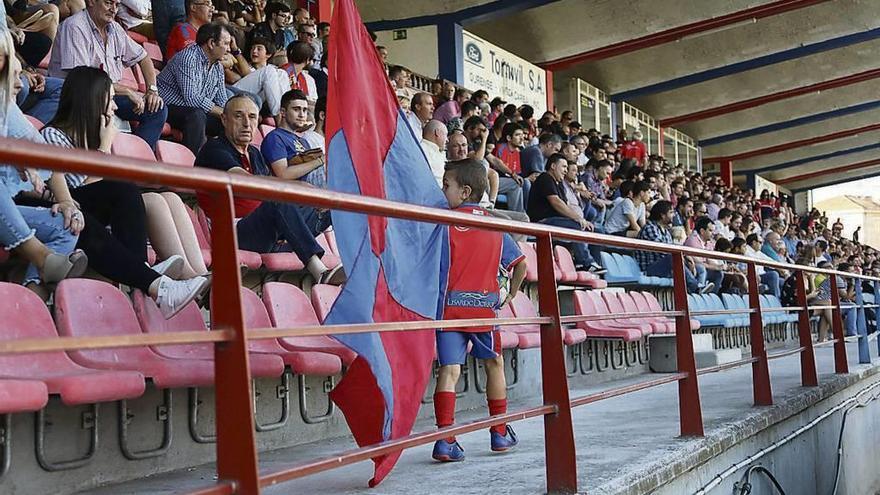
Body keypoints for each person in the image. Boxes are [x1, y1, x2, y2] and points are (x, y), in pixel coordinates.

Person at [36, 66, 210, 313]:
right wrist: (104, 148)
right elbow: (82, 193)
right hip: (65, 212)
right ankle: (147, 276)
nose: (115, 108)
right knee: (125, 191)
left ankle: (190, 275)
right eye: (109, 101)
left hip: (88, 212)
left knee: (165, 196)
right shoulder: (54, 137)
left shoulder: (86, 141)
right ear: (92, 103)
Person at [431, 159, 526, 462]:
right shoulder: (496, 224)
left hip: (449, 309)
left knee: (449, 371)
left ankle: (445, 439)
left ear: (464, 191)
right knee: (493, 364)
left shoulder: (443, 223)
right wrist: (511, 292)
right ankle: (499, 432)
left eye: (446, 185)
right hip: (484, 308)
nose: (442, 190)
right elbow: (521, 264)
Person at [196, 95, 343, 284]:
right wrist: (300, 188)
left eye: (252, 117)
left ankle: (353, 267)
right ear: (224, 119)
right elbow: (245, 181)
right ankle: (319, 271)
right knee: (276, 200)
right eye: (239, 116)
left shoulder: (254, 153)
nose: (247, 123)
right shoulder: (215, 149)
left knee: (331, 205)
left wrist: (312, 195)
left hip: (266, 231)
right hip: (233, 233)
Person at [0, 32, 87, 293]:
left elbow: (45, 155)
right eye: (11, 71)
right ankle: (42, 258)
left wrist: (67, 202)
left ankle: (32, 297)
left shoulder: (7, 107)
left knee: (67, 223)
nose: (20, 84)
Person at [49, 0, 169, 149]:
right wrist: (126, 91)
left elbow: (144, 58)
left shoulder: (115, 29)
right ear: (92, 2)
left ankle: (134, 164)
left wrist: (152, 90)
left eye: (117, 5)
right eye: (108, 3)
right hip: (78, 94)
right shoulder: (75, 26)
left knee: (156, 108)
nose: (113, 9)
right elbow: (82, 80)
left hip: (108, 94)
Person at [158, 22, 230, 154]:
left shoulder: (218, 67)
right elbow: (192, 100)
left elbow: (221, 99)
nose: (229, 49)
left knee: (230, 123)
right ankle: (192, 165)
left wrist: (230, 114)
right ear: (211, 43)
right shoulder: (188, 58)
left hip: (194, 110)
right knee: (197, 115)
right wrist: (224, 113)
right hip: (166, 106)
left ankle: (221, 162)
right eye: (225, 43)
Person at [527, 153, 603, 273]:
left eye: (567, 168)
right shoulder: (545, 178)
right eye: (563, 167)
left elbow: (566, 206)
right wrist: (579, 219)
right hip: (543, 222)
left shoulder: (560, 185)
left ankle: (595, 265)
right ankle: (584, 262)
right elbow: (556, 202)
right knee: (578, 226)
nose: (565, 171)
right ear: (553, 166)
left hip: (556, 221)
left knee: (596, 231)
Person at [635, 201, 712, 293]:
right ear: (662, 215)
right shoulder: (650, 228)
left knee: (698, 267)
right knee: (673, 258)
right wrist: (684, 257)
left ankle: (694, 293)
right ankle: (695, 288)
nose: (674, 215)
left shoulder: (666, 231)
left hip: (665, 267)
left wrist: (687, 259)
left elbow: (672, 248)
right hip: (649, 269)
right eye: (671, 212)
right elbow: (664, 250)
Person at [684, 217, 724, 293]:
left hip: (704, 269)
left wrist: (721, 267)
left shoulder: (709, 243)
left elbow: (710, 260)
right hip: (691, 268)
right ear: (702, 231)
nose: (713, 234)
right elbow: (698, 262)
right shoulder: (693, 240)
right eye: (710, 231)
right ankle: (698, 290)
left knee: (719, 274)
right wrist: (716, 267)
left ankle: (711, 297)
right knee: (701, 268)